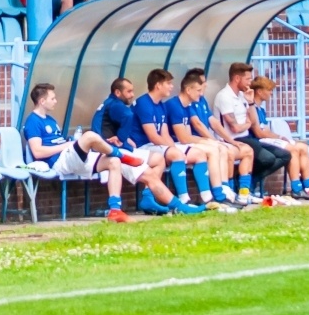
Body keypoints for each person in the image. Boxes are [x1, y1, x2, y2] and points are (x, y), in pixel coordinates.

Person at [23, 82, 143, 223]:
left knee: (113, 162)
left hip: (71, 157)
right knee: (90, 136)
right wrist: (66, 145)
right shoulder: (32, 121)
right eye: (52, 98)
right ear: (42, 101)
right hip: (59, 162)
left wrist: (70, 142)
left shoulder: (51, 120)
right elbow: (38, 152)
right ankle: (121, 154)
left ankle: (115, 210)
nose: (56, 101)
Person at [93, 76, 189, 215]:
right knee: (149, 174)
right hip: (112, 152)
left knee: (158, 159)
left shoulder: (110, 103)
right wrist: (121, 138)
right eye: (129, 92)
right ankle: (178, 206)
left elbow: (110, 127)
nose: (132, 95)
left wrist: (124, 140)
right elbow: (127, 116)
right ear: (117, 92)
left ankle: (148, 198)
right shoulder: (115, 105)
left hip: (118, 148)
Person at [133, 69, 210, 213]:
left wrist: (174, 147)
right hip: (141, 146)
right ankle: (183, 199)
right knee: (177, 155)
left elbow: (164, 133)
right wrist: (175, 151)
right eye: (168, 83)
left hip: (155, 146)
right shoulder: (144, 103)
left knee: (198, 154)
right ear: (158, 85)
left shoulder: (160, 104)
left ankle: (207, 197)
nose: (171, 87)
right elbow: (152, 136)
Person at [167, 68, 241, 207]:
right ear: (188, 90)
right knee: (213, 149)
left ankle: (223, 190)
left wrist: (215, 141)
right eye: (198, 90)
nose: (201, 94)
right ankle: (217, 194)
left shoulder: (187, 105)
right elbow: (183, 138)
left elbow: (188, 133)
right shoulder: (174, 104)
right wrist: (208, 140)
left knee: (219, 147)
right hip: (173, 145)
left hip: (183, 144)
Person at [212, 62, 285, 204]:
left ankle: (245, 192)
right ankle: (240, 190)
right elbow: (234, 127)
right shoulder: (224, 96)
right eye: (247, 79)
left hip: (245, 136)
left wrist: (250, 103)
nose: (250, 83)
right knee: (266, 158)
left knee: (284, 154)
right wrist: (246, 123)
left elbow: (253, 122)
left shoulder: (242, 96)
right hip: (231, 139)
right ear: (237, 78)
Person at [248, 76, 309, 197]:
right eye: (268, 89)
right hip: (258, 142)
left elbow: (266, 130)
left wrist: (278, 136)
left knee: (302, 147)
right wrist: (279, 138)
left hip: (267, 139)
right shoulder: (252, 108)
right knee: (292, 149)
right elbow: (259, 133)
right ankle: (296, 188)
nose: (271, 93)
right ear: (259, 91)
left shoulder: (261, 109)